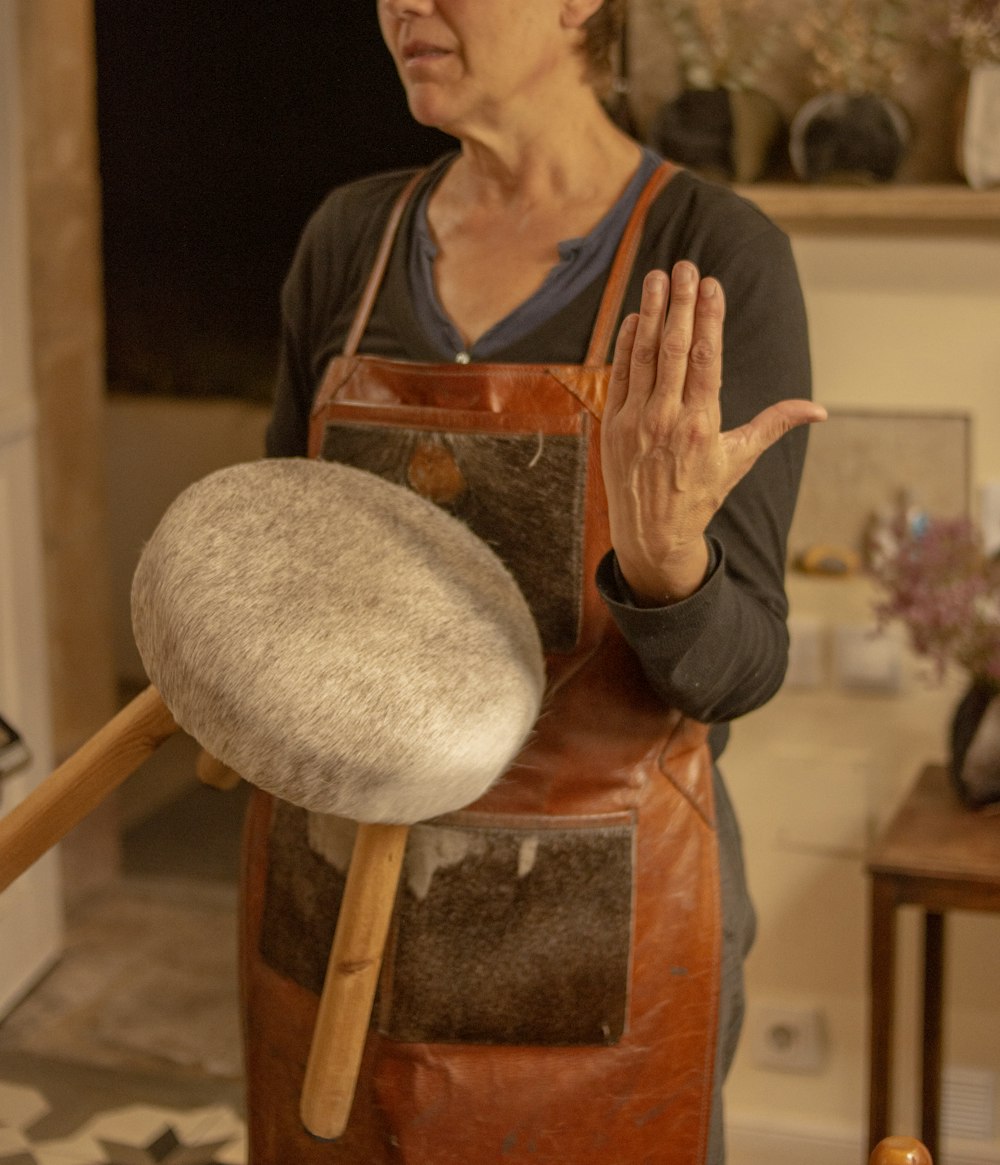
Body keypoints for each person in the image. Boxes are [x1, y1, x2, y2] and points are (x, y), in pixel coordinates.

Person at [249, 2, 826, 1162]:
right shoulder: (349, 240)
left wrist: (669, 570)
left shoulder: (713, 254)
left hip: (592, 944)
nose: (402, 5)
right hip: (331, 913)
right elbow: (278, 551)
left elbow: (739, 669)